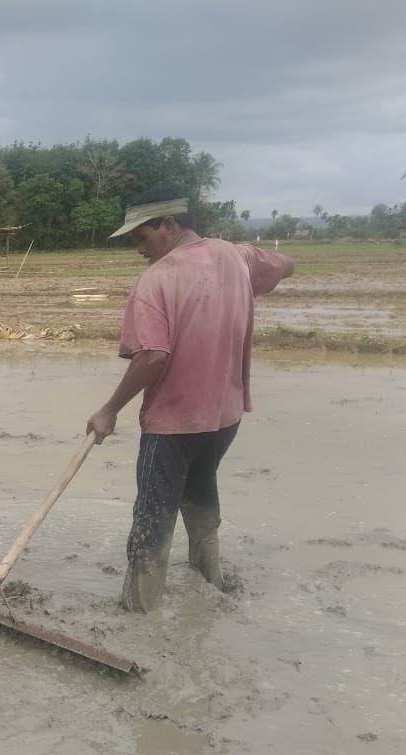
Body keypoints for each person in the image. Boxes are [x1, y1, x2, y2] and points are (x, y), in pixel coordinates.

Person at [86, 186, 294, 612]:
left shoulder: (156, 279)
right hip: (225, 417)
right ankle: (211, 586)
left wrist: (109, 410)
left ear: (169, 225)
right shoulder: (237, 255)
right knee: (201, 492)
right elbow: (283, 265)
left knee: (152, 515)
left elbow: (153, 356)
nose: (139, 250)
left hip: (174, 422)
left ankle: (139, 614)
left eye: (142, 238)